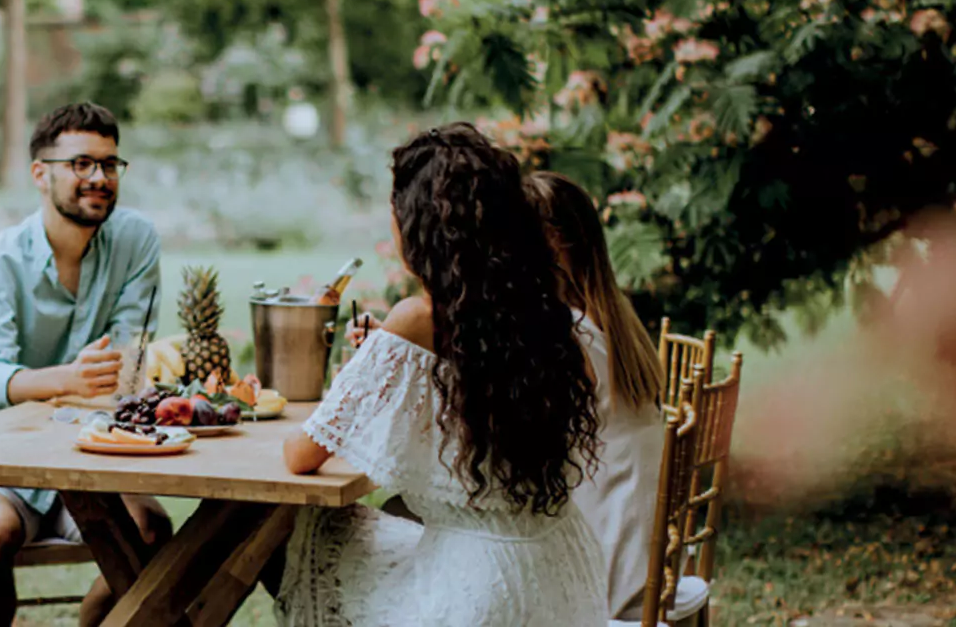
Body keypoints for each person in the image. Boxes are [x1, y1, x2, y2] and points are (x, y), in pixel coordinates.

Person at [275, 124, 606, 626]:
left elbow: (302, 455)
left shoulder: (415, 320)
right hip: (559, 573)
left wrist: (376, 376)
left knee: (300, 534)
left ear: (419, 227)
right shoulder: (556, 323)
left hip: (472, 591)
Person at [0, 103, 170, 627]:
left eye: (110, 165)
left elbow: (129, 362)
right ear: (40, 174)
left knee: (152, 532)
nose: (99, 178)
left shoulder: (135, 241)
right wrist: (67, 379)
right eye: (81, 164)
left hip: (94, 451)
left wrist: (99, 380)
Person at [525, 171, 667, 620]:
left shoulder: (567, 331)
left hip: (606, 570)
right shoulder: (612, 316)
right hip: (640, 552)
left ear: (552, 241)